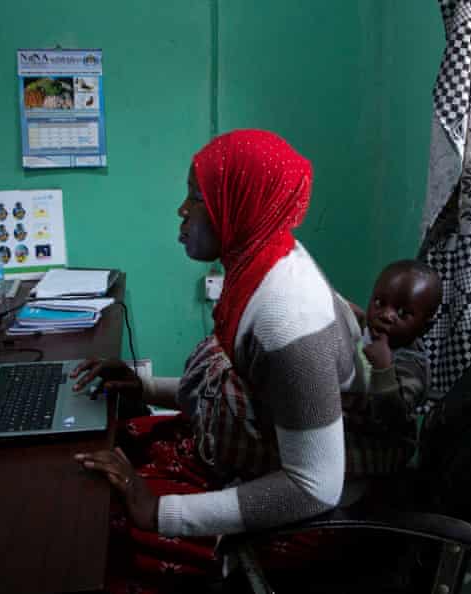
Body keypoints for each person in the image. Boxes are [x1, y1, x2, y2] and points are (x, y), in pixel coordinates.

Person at [70, 130, 375, 589]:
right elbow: (262, 392)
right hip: (273, 459)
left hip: (315, 515)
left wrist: (156, 511)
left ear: (240, 202)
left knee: (96, 539)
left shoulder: (287, 318)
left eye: (196, 197)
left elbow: (314, 486)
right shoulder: (261, 263)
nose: (183, 211)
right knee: (117, 453)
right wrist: (146, 387)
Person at [340, 260, 442, 438]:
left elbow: (393, 416)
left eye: (402, 313)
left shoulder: (412, 365)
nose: (386, 315)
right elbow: (347, 311)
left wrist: (383, 369)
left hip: (381, 446)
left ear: (425, 328)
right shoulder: (366, 327)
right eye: (379, 302)